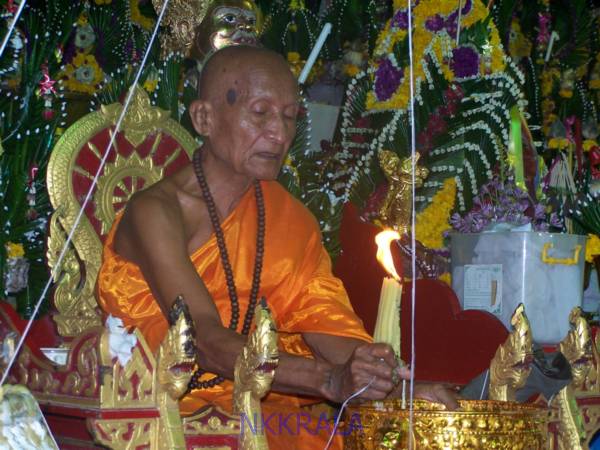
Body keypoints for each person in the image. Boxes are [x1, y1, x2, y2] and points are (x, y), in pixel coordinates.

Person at [97, 45, 457, 448]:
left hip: (262, 411)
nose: (280, 134)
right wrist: (328, 379)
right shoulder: (155, 212)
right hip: (167, 412)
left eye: (289, 117)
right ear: (204, 118)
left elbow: (323, 325)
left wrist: (395, 387)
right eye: (260, 113)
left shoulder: (289, 218)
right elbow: (201, 338)